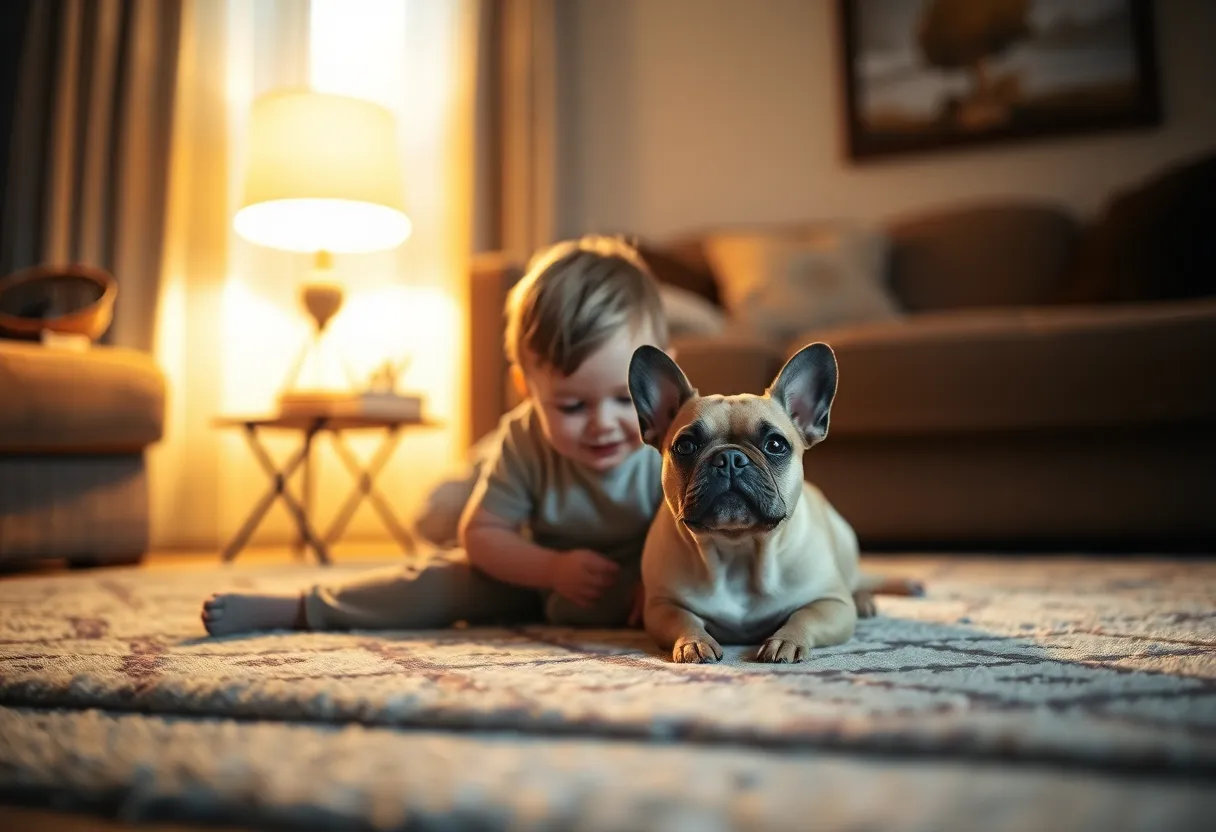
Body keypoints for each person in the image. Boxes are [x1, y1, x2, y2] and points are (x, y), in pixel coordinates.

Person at [201, 235, 669, 635]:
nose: (602, 422)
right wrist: (551, 569)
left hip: (648, 584)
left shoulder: (676, 435)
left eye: (626, 400)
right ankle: (303, 608)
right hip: (536, 578)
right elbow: (482, 534)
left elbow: (701, 534)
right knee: (439, 581)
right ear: (526, 390)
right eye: (571, 406)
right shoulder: (523, 438)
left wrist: (662, 582)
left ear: (661, 382)